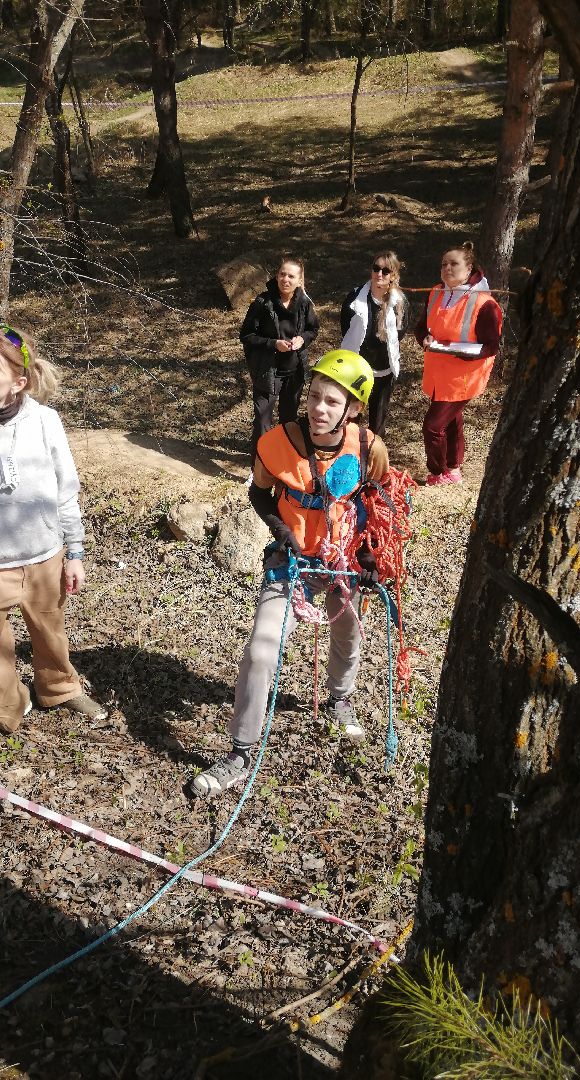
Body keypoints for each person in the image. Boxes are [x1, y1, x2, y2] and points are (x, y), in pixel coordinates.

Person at [191, 349, 389, 799]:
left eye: (332, 401)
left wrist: (371, 556)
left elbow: (377, 500)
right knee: (262, 648)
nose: (319, 408)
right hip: (291, 560)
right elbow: (260, 494)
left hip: (343, 559)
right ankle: (241, 753)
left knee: (348, 634)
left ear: (353, 408)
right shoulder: (278, 442)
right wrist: (280, 528)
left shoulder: (369, 447)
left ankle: (339, 698)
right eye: (314, 396)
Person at [0, 325, 107, 734]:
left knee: (50, 634)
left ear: (18, 383)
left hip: (45, 558)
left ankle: (59, 689)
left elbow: (66, 491)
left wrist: (75, 552)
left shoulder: (45, 421)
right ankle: (14, 703)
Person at [414, 240, 502, 485]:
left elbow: (491, 345)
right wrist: (425, 339)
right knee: (452, 421)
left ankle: (437, 473)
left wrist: (464, 352)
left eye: (454, 264)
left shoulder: (485, 303)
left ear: (469, 268)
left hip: (463, 377)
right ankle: (452, 468)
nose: (447, 268)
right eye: (444, 264)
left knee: (433, 426)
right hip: (438, 373)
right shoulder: (436, 292)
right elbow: (421, 328)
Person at [240, 254, 320, 462]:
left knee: (289, 422)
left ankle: (284, 464)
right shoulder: (263, 302)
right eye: (282, 274)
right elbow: (247, 336)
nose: (285, 279)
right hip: (267, 372)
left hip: (294, 372)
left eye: (291, 276)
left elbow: (313, 329)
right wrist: (273, 344)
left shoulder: (304, 303)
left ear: (299, 280)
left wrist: (302, 339)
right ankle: (259, 467)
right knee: (263, 422)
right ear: (276, 276)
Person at [340, 250, 409, 437]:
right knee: (351, 420)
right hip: (357, 370)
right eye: (376, 268)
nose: (379, 274)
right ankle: (350, 451)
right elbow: (345, 328)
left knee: (377, 425)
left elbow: (400, 332)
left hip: (383, 371)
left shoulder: (400, 302)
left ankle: (373, 452)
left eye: (385, 271)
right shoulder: (354, 298)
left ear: (393, 275)